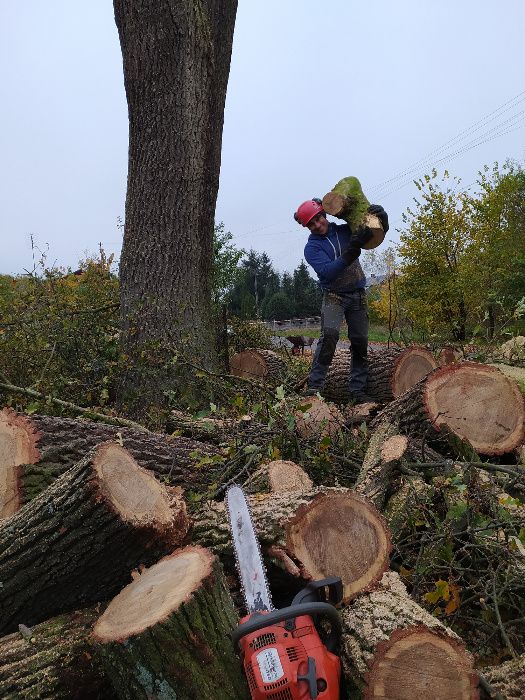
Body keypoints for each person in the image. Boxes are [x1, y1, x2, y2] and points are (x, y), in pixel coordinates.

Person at [294, 198, 389, 403]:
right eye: (312, 223)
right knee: (329, 337)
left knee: (360, 342)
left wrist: (382, 220)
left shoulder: (345, 231)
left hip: (357, 294)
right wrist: (352, 250)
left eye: (319, 218)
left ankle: (358, 391)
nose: (318, 225)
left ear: (324, 214)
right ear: (307, 227)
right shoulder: (312, 249)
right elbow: (328, 272)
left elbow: (371, 238)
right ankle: (314, 388)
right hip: (334, 296)